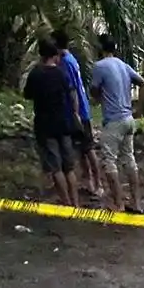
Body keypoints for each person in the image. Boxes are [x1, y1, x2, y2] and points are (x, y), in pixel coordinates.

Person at [90, 35, 144, 212]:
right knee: (129, 159)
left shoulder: (99, 66)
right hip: (128, 119)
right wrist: (139, 108)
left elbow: (93, 89)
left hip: (113, 120)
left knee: (109, 161)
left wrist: (99, 97)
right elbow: (143, 83)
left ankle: (118, 203)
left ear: (100, 48)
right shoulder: (123, 65)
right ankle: (136, 203)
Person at [23, 38, 79, 207]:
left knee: (56, 168)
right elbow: (71, 94)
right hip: (63, 123)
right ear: (54, 56)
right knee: (69, 167)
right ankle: (75, 203)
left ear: (41, 56)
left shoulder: (35, 74)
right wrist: (75, 114)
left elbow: (27, 95)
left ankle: (66, 202)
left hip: (44, 126)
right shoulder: (61, 74)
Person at [52, 29, 103, 198]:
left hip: (78, 112)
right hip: (78, 111)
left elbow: (72, 90)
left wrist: (75, 114)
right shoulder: (69, 59)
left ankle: (98, 183)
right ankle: (89, 180)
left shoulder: (65, 63)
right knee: (81, 149)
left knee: (88, 148)